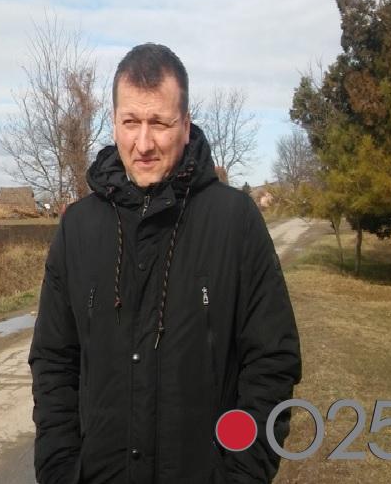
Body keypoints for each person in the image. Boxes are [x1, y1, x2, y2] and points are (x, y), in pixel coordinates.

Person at [29, 43, 301, 483]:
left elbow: (271, 362)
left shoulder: (234, 221)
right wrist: (60, 469)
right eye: (130, 122)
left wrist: (242, 474)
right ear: (114, 122)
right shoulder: (77, 228)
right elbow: (53, 361)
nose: (143, 143)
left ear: (186, 125)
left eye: (159, 123)